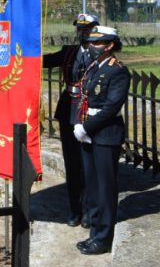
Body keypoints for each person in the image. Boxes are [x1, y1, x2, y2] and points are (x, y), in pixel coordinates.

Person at [73, 25, 130, 256]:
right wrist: (83, 127)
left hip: (105, 135)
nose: (93, 46)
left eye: (98, 43)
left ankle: (104, 238)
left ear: (110, 45)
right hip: (89, 133)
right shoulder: (95, 66)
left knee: (106, 189)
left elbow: (110, 108)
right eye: (91, 42)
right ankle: (95, 232)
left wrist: (85, 127)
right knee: (93, 187)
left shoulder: (118, 71)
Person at [43, 12, 99, 228]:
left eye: (87, 28)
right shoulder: (69, 52)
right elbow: (42, 62)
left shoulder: (100, 53)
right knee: (72, 164)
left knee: (88, 165)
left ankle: (88, 210)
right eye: (80, 29)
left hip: (89, 111)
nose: (83, 32)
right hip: (68, 110)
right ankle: (74, 210)